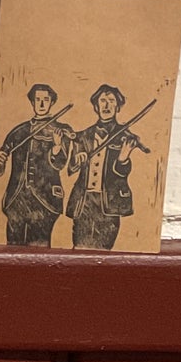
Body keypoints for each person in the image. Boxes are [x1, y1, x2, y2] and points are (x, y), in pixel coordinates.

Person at [0, 83, 72, 246]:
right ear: (32, 102)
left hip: (45, 200)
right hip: (16, 198)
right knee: (13, 246)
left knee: (39, 246)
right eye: (37, 99)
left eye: (45, 100)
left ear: (52, 102)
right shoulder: (19, 131)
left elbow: (60, 164)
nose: (41, 104)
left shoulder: (60, 130)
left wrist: (56, 146)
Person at [66, 84, 137, 250]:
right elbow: (71, 169)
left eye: (111, 101)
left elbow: (121, 175)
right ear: (96, 107)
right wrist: (78, 159)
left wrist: (123, 159)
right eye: (102, 101)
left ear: (118, 106)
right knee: (80, 247)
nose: (106, 105)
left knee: (104, 250)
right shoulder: (82, 136)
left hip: (109, 204)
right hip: (84, 202)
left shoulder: (124, 136)